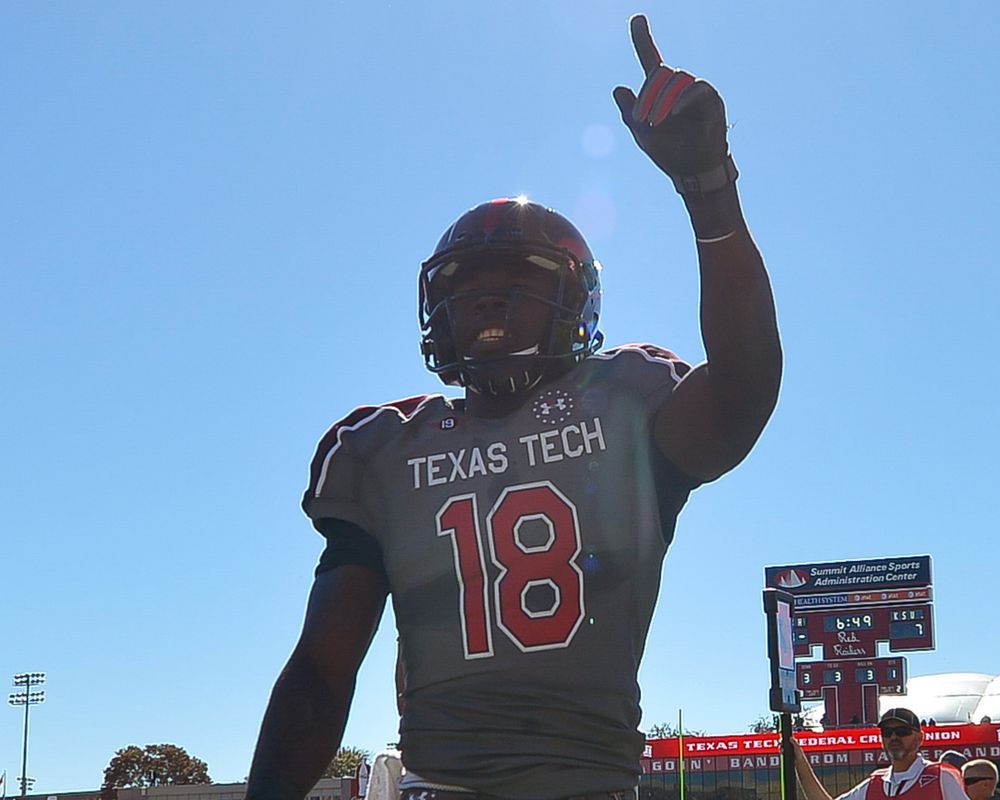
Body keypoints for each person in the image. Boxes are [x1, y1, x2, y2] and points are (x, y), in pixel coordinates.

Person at [244, 13, 782, 800]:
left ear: (575, 304)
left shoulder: (624, 399)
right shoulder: (384, 446)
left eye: (520, 277)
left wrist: (709, 190)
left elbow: (743, 389)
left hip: (590, 784)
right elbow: (322, 673)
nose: (486, 296)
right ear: (434, 307)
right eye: (462, 284)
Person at [792, 708, 970, 799]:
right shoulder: (874, 784)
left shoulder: (939, 777)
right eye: (886, 731)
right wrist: (799, 761)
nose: (893, 737)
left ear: (919, 738)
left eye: (902, 731)